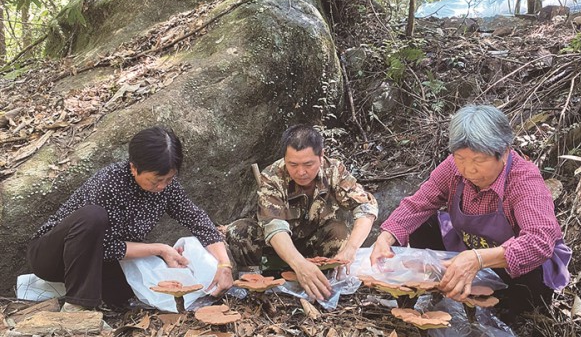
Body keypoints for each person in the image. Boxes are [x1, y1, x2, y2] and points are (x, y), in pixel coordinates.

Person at [370, 105, 571, 321]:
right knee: (421, 221)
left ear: (503, 152)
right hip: (468, 252)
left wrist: (477, 259)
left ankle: (518, 313)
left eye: (479, 160)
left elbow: (539, 240)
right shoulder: (453, 168)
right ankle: (431, 292)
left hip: (521, 270)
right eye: (461, 158)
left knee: (518, 311)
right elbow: (418, 204)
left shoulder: (523, 182)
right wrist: (385, 237)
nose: (468, 169)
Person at [27, 126, 234, 312]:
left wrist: (224, 265)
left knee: (132, 294)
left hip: (100, 264)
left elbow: (196, 218)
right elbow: (105, 246)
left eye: (169, 179)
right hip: (52, 256)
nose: (162, 186)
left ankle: (89, 297)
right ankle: (77, 306)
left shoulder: (168, 188)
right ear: (134, 168)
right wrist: (160, 249)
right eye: (156, 181)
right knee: (92, 216)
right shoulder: (110, 184)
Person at [226, 124, 378, 301]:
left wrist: (350, 250)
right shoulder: (273, 176)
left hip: (315, 247)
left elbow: (366, 207)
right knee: (239, 230)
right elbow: (274, 227)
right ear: (285, 158)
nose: (301, 172)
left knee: (339, 230)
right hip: (276, 250)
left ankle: (321, 280)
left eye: (308, 164)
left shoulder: (334, 170)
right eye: (293, 164)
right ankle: (257, 285)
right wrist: (299, 264)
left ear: (321, 156)